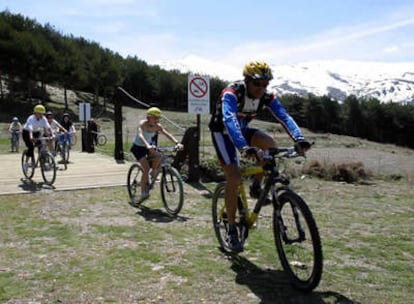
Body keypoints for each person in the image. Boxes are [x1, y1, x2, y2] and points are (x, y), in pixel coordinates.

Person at [209, 61, 311, 252]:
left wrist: (299, 138)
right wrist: (244, 147)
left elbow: (284, 116)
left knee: (270, 144)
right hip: (222, 133)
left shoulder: (266, 97)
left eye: (265, 84)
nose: (261, 89)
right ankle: (231, 228)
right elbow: (229, 119)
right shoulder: (231, 93)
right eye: (257, 84)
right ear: (246, 81)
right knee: (234, 177)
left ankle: (256, 187)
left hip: (243, 130)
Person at [130, 107, 184, 202]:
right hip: (138, 147)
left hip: (149, 146)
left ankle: (154, 172)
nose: (157, 120)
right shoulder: (143, 124)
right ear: (149, 117)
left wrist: (177, 142)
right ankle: (143, 193)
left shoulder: (157, 126)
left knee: (159, 156)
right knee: (146, 168)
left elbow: (167, 134)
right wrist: (147, 145)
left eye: (158, 118)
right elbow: (140, 135)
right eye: (155, 118)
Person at [22, 105, 53, 171]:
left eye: (42, 113)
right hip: (26, 132)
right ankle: (26, 163)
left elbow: (48, 127)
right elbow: (30, 128)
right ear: (35, 113)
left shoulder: (43, 118)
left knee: (42, 145)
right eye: (39, 113)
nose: (41, 115)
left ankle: (43, 162)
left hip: (36, 132)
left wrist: (51, 135)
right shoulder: (31, 118)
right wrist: (31, 137)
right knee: (31, 147)